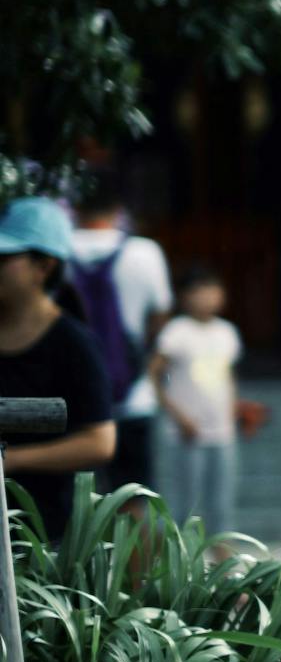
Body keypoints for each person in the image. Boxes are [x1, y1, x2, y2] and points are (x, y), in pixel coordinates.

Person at [0, 199, 117, 541]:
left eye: (5, 258)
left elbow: (100, 442)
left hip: (46, 536)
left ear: (44, 266)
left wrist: (11, 460)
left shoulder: (73, 343)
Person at [66, 175, 173, 493]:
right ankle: (134, 547)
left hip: (72, 397)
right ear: (119, 208)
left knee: (80, 495)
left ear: (75, 208)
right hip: (133, 393)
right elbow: (159, 318)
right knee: (135, 494)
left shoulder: (54, 252)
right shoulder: (145, 252)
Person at [149, 264, 243, 539]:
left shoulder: (227, 332)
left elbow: (228, 375)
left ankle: (223, 568)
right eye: (199, 291)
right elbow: (154, 374)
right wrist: (179, 416)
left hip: (222, 432)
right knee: (182, 504)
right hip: (185, 432)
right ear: (185, 297)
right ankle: (173, 566)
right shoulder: (176, 331)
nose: (208, 297)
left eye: (213, 290)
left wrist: (233, 410)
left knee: (222, 504)